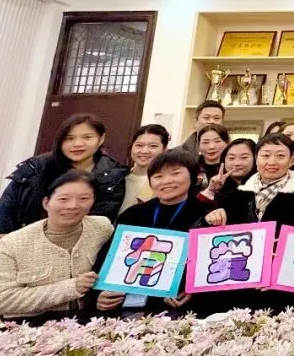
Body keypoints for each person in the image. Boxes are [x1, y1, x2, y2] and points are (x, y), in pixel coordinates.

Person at [0, 114, 127, 289]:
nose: (77, 144)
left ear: (101, 139)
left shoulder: (113, 176)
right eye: (69, 138)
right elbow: (1, 222)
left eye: (87, 137)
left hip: (76, 269)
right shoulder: (36, 167)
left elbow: (90, 227)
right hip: (20, 270)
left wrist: (18, 243)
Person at [94, 149, 210, 316]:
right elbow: (107, 259)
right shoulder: (133, 214)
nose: (166, 181)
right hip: (128, 307)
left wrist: (192, 289)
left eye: (175, 173)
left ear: (193, 176)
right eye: (158, 176)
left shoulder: (206, 214)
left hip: (179, 309)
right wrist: (100, 294)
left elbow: (210, 266)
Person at [0, 171, 113, 320]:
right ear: (46, 202)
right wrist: (71, 288)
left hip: (89, 322)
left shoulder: (102, 228)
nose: (73, 206)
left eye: (84, 199)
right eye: (63, 199)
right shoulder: (12, 243)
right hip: (29, 325)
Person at [206, 133, 294, 229]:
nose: (272, 162)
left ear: (291, 160)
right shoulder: (236, 194)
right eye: (266, 155)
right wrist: (213, 217)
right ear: (256, 158)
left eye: (280, 156)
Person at [118, 124, 170, 215]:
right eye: (139, 145)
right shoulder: (116, 178)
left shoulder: (166, 184)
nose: (144, 151)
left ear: (164, 150)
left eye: (153, 146)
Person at [200, 137, 257, 203]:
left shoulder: (261, 187)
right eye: (231, 158)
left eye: (244, 157)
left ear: (255, 159)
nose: (237, 163)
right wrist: (211, 191)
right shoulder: (214, 184)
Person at [195, 124, 230, 190]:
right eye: (205, 142)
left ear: (227, 143)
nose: (211, 147)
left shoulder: (233, 167)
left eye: (217, 141)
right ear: (198, 145)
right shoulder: (190, 167)